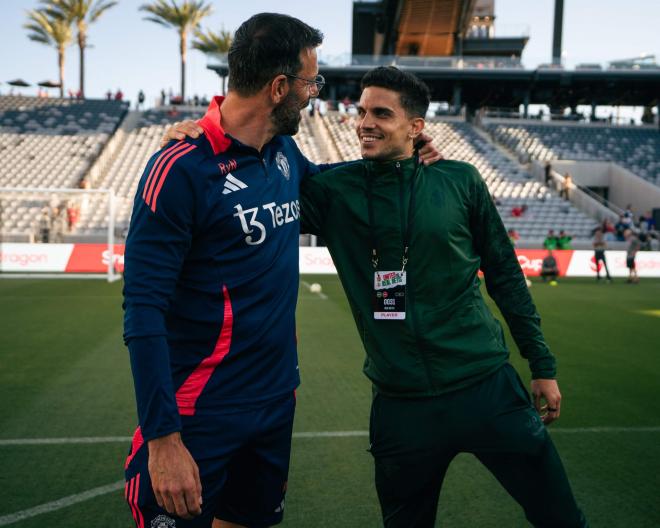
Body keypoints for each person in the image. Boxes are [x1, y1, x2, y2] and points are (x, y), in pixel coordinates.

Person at [124, 14, 441, 528]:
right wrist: (163, 439)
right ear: (278, 88)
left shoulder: (285, 154)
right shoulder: (179, 169)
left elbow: (334, 187)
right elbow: (143, 311)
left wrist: (404, 157)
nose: (315, 93)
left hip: (274, 401)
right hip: (199, 410)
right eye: (310, 82)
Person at [300, 66, 587, 528]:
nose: (364, 122)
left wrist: (542, 365)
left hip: (486, 388)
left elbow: (506, 277)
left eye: (381, 113)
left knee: (560, 517)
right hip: (401, 405)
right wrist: (202, 135)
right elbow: (267, 176)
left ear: (416, 127)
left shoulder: (460, 180)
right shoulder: (333, 191)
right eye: (360, 111)